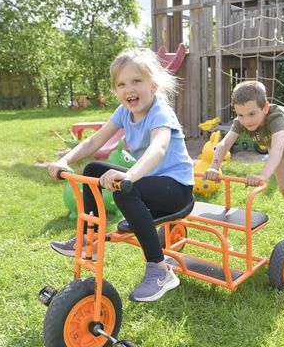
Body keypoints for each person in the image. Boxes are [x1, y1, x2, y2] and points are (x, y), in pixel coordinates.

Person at [47, 48, 194, 302]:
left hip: (176, 189)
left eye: (137, 81)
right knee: (93, 168)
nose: (129, 89)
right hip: (147, 181)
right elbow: (95, 141)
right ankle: (87, 238)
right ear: (116, 90)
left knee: (125, 188)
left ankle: (160, 269)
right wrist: (65, 159)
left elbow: (158, 148)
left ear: (153, 85)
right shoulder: (124, 112)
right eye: (121, 84)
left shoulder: (161, 112)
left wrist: (130, 176)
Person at [204, 80, 284, 235]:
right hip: (279, 146)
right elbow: (224, 144)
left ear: (265, 108)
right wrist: (214, 166)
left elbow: (276, 148)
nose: (246, 121)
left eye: (252, 114)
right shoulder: (241, 122)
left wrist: (263, 175)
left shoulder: (276, 117)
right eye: (241, 115)